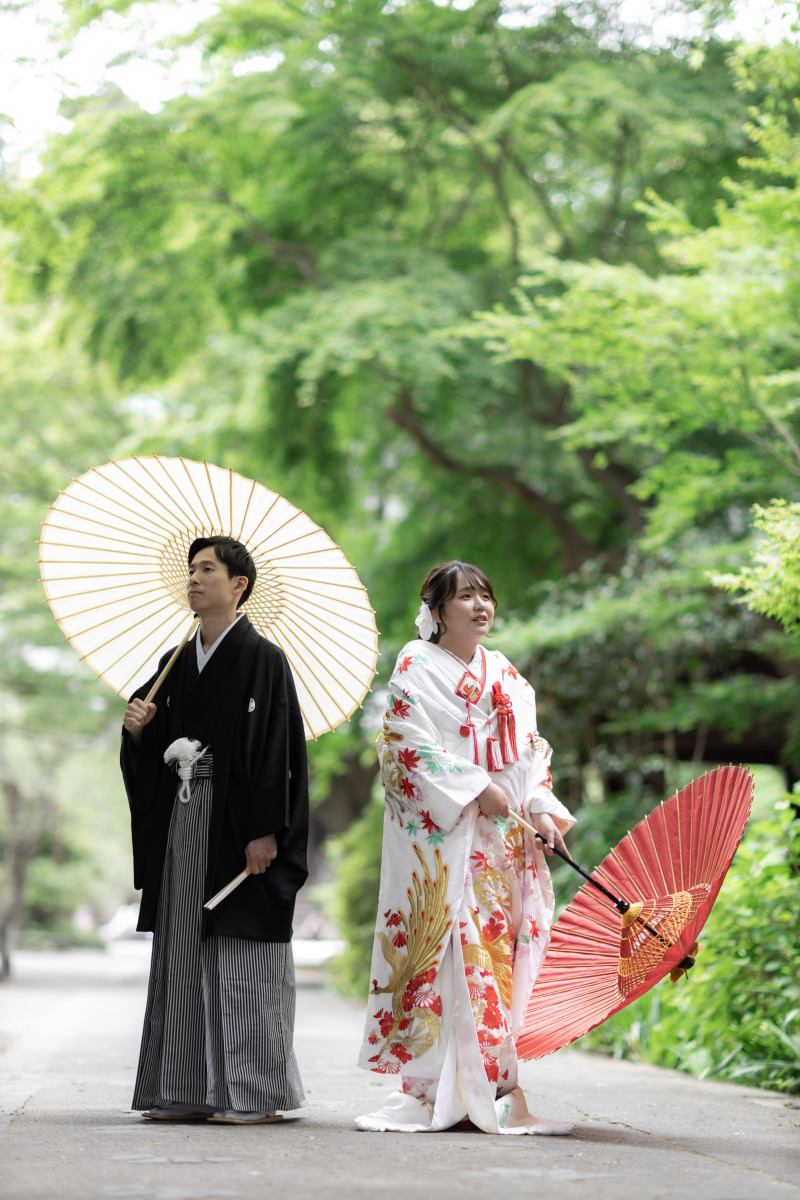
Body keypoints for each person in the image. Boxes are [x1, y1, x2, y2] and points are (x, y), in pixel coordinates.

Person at [355, 561, 575, 1135]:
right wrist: (477, 785)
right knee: (447, 954)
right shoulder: (415, 664)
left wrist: (541, 808)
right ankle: (428, 1089)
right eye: (465, 597)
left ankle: (498, 1082)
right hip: (448, 840)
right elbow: (403, 745)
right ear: (435, 611)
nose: (480, 606)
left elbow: (529, 750)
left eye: (485, 595)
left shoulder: (504, 672)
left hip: (502, 844)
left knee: (500, 957)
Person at [121, 535, 309, 1125]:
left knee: (240, 955)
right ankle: (184, 1088)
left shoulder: (264, 660)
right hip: (183, 822)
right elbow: (151, 754)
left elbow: (279, 751)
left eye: (208, 570)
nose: (195, 579)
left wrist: (266, 829)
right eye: (192, 569)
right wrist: (138, 730)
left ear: (238, 586)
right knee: (181, 944)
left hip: (237, 826)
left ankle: (251, 1093)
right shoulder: (173, 663)